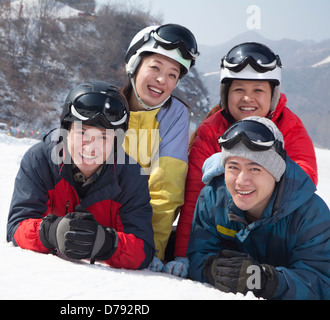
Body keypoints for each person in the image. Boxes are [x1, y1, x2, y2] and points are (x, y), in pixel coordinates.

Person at [166, 42, 318, 277]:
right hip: (228, 233)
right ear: (226, 94)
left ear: (273, 95)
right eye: (238, 90)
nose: (248, 98)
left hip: (276, 235)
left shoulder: (289, 126)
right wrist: (183, 254)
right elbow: (194, 196)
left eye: (258, 90)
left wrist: (252, 162)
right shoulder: (211, 130)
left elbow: (305, 179)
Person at [6, 81, 155, 270]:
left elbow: (143, 250)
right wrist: (50, 232)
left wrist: (105, 243)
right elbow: (16, 227)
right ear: (66, 131)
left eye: (103, 137)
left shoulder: (131, 176)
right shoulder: (40, 161)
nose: (90, 146)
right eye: (82, 132)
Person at [187, 117, 329, 300]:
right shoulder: (213, 199)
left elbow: (322, 283)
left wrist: (266, 280)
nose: (241, 181)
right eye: (233, 167)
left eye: (255, 169)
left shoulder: (310, 214)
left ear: (276, 172)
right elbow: (198, 255)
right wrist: (211, 269)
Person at [121, 24, 199, 271]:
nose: (161, 80)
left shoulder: (174, 115)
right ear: (135, 65)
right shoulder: (107, 104)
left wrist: (150, 247)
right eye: (155, 67)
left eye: (172, 74)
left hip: (141, 233)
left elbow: (166, 188)